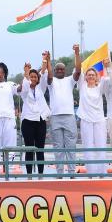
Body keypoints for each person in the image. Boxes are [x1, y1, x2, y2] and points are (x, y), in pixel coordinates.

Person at [43, 46, 81, 177]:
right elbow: (49, 76)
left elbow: (78, 71)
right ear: (54, 71)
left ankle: (71, 173)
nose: (59, 70)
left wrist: (77, 53)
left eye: (62, 69)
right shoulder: (51, 82)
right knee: (58, 147)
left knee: (71, 146)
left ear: (65, 71)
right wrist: (48, 61)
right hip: (55, 117)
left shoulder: (69, 80)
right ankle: (59, 174)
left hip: (69, 117)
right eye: (57, 69)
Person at [77, 64, 108, 176]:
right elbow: (78, 71)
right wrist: (77, 57)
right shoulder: (82, 86)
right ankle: (90, 173)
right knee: (88, 147)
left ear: (96, 76)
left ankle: (101, 172)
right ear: (85, 77)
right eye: (89, 75)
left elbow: (106, 80)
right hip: (86, 120)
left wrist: (105, 66)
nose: (91, 76)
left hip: (99, 120)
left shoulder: (100, 88)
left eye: (93, 75)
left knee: (101, 146)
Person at [19, 62, 49, 176]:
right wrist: (26, 71)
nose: (33, 78)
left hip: (40, 121)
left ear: (38, 79)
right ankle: (29, 175)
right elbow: (26, 83)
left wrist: (45, 61)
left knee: (40, 149)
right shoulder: (25, 91)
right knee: (29, 149)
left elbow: (43, 73)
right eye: (31, 77)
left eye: (35, 77)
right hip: (27, 121)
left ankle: (41, 175)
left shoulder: (41, 88)